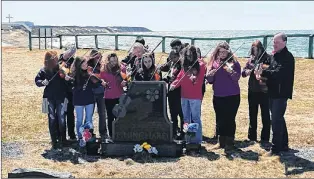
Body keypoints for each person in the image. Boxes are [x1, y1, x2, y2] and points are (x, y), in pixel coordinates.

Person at [257, 32, 295, 155]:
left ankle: (276, 148)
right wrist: (261, 72)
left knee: (276, 120)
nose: (275, 44)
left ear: (284, 42)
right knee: (279, 119)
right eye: (273, 42)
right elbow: (268, 67)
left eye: (277, 42)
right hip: (272, 92)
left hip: (281, 93)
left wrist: (265, 71)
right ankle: (284, 144)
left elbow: (279, 74)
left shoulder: (288, 57)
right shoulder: (274, 56)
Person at [206, 42, 241, 151]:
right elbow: (211, 81)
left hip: (232, 95)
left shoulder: (234, 63)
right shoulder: (214, 63)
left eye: (224, 52)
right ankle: (220, 142)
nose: (222, 54)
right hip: (218, 95)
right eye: (220, 52)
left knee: (230, 119)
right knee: (220, 118)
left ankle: (230, 142)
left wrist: (231, 71)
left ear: (228, 52)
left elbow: (236, 78)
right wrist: (209, 76)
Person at [170, 45, 206, 150]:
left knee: (195, 118)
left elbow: (199, 81)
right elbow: (180, 76)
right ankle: (188, 138)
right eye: (187, 54)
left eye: (190, 54)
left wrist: (193, 78)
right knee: (186, 118)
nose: (189, 56)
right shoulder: (184, 65)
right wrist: (174, 85)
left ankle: (197, 139)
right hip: (184, 95)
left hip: (195, 95)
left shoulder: (200, 64)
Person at [35, 51, 69, 149]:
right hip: (48, 98)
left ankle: (63, 139)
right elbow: (37, 81)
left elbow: (67, 80)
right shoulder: (43, 70)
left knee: (62, 118)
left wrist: (66, 78)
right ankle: (54, 140)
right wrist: (42, 82)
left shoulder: (60, 69)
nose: (57, 59)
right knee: (52, 119)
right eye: (55, 58)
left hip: (61, 97)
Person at [242, 40, 271, 143]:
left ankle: (265, 137)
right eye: (253, 50)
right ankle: (252, 137)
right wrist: (247, 71)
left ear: (261, 49)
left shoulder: (267, 58)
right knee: (252, 114)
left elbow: (269, 72)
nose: (255, 52)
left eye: (257, 50)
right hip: (253, 90)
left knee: (265, 115)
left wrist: (261, 71)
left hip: (264, 91)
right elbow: (243, 72)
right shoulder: (251, 60)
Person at [69, 56, 100, 146]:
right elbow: (72, 87)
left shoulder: (89, 74)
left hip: (89, 99)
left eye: (86, 63)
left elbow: (95, 85)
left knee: (89, 119)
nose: (86, 65)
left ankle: (88, 136)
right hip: (78, 100)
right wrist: (78, 86)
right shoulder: (74, 75)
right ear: (79, 64)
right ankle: (80, 137)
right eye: (84, 63)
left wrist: (97, 81)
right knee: (79, 119)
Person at [100, 53, 127, 138]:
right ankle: (112, 135)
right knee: (110, 116)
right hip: (108, 96)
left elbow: (125, 80)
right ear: (108, 61)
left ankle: (120, 133)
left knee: (120, 116)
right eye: (111, 61)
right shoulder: (104, 70)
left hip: (119, 95)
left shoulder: (122, 68)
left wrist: (124, 83)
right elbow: (101, 79)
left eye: (115, 60)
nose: (114, 63)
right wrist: (102, 82)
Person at [160, 50, 184, 139]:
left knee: (181, 113)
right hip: (171, 91)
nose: (172, 59)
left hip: (179, 91)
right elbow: (164, 69)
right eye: (170, 58)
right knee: (172, 112)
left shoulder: (181, 66)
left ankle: (182, 132)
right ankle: (174, 131)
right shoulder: (171, 64)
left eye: (174, 57)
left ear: (179, 57)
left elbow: (179, 77)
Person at [87, 49, 108, 141]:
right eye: (97, 57)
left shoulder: (103, 67)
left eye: (100, 57)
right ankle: (89, 132)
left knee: (102, 113)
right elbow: (93, 79)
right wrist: (100, 78)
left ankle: (103, 132)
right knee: (89, 114)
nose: (99, 59)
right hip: (91, 93)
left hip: (101, 93)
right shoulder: (88, 67)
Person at [58, 47, 77, 141]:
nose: (71, 54)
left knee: (70, 113)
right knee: (61, 113)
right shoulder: (58, 60)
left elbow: (76, 75)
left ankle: (72, 134)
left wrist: (71, 78)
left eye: (73, 53)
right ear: (65, 51)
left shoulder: (74, 62)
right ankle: (61, 135)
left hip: (70, 91)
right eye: (70, 52)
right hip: (61, 92)